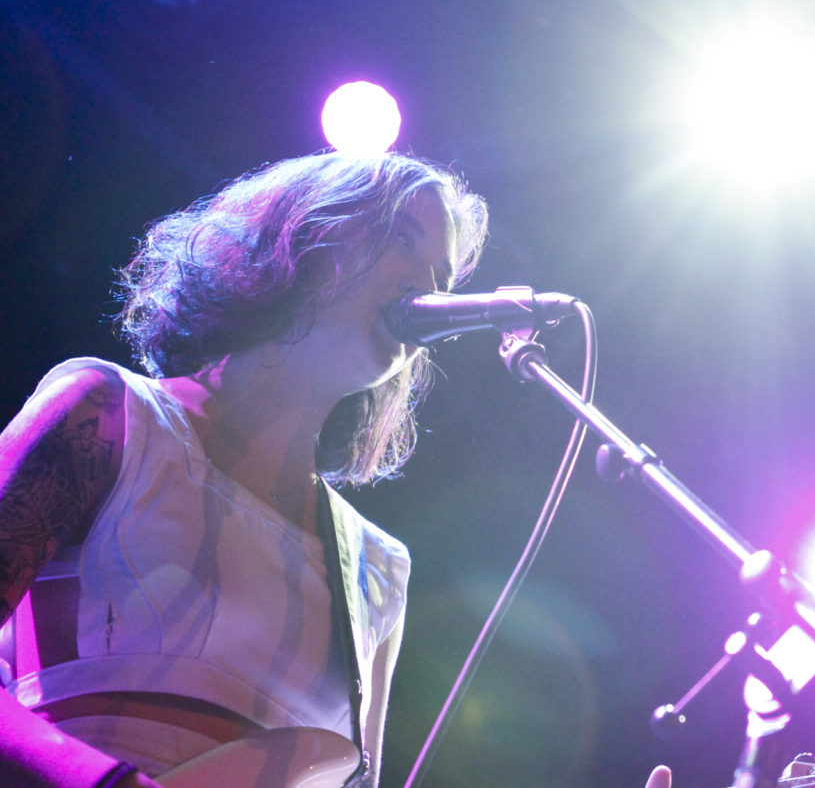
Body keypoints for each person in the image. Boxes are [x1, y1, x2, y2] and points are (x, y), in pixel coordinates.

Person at [0, 152, 487, 787]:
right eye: (401, 237)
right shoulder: (110, 413)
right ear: (308, 233)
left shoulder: (376, 567)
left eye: (443, 279)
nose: (425, 285)